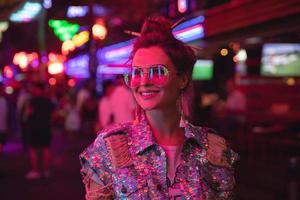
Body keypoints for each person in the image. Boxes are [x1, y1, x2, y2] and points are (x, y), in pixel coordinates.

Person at [80, 15, 238, 199]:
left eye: (157, 71)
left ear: (182, 79)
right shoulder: (108, 149)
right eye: (137, 72)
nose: (144, 82)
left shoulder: (214, 149)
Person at [24, 82, 55, 179]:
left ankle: (35, 171)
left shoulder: (33, 101)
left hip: (34, 128)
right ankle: (46, 171)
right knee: (46, 149)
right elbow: (54, 115)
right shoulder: (48, 100)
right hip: (46, 127)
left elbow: (28, 113)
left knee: (33, 149)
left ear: (38, 89)